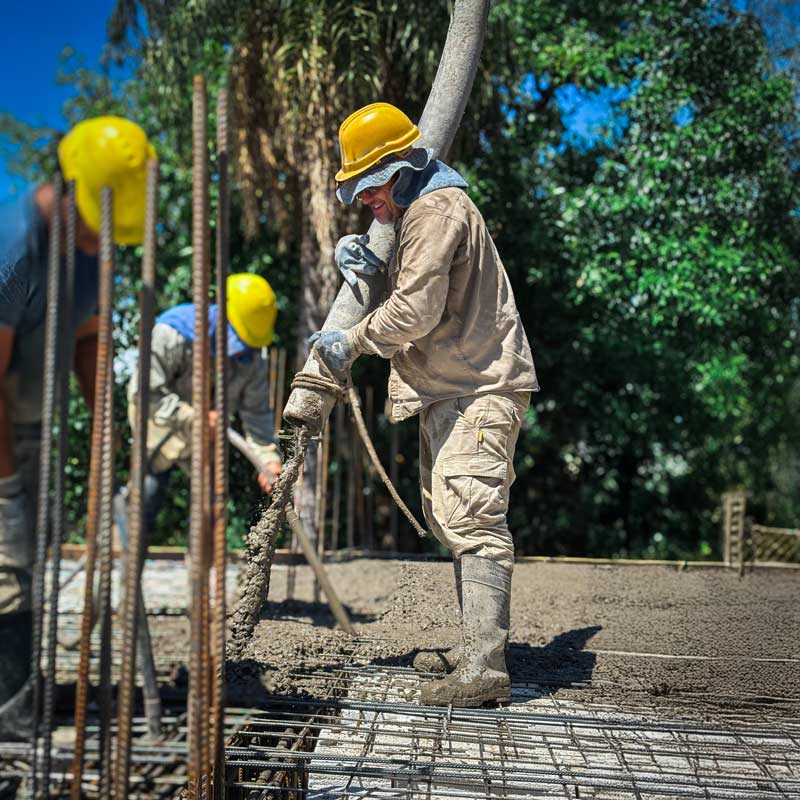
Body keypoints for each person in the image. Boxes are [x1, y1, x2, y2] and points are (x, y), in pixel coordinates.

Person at [310, 102, 539, 707]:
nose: (367, 203)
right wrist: (373, 270)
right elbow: (422, 294)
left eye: (371, 189)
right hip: (453, 387)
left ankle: (485, 669)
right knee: (452, 519)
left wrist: (350, 341)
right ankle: (474, 652)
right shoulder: (421, 212)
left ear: (404, 166)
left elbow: (415, 313)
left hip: (478, 388)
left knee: (474, 523)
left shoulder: (436, 211)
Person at [0, 117, 155, 738]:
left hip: (35, 422)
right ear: (66, 192)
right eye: (99, 226)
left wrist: (106, 432)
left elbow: (88, 337)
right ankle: (10, 721)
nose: (101, 243)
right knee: (7, 563)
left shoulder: (94, 247)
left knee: (32, 563)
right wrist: (6, 487)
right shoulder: (15, 245)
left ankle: (21, 692)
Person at [127, 273, 283, 531]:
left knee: (211, 510)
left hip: (207, 434)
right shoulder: (170, 333)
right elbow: (143, 393)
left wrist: (268, 459)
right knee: (146, 497)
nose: (241, 351)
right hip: (160, 422)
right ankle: (131, 556)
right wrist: (195, 417)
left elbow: (256, 414)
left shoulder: (253, 356)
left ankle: (202, 569)